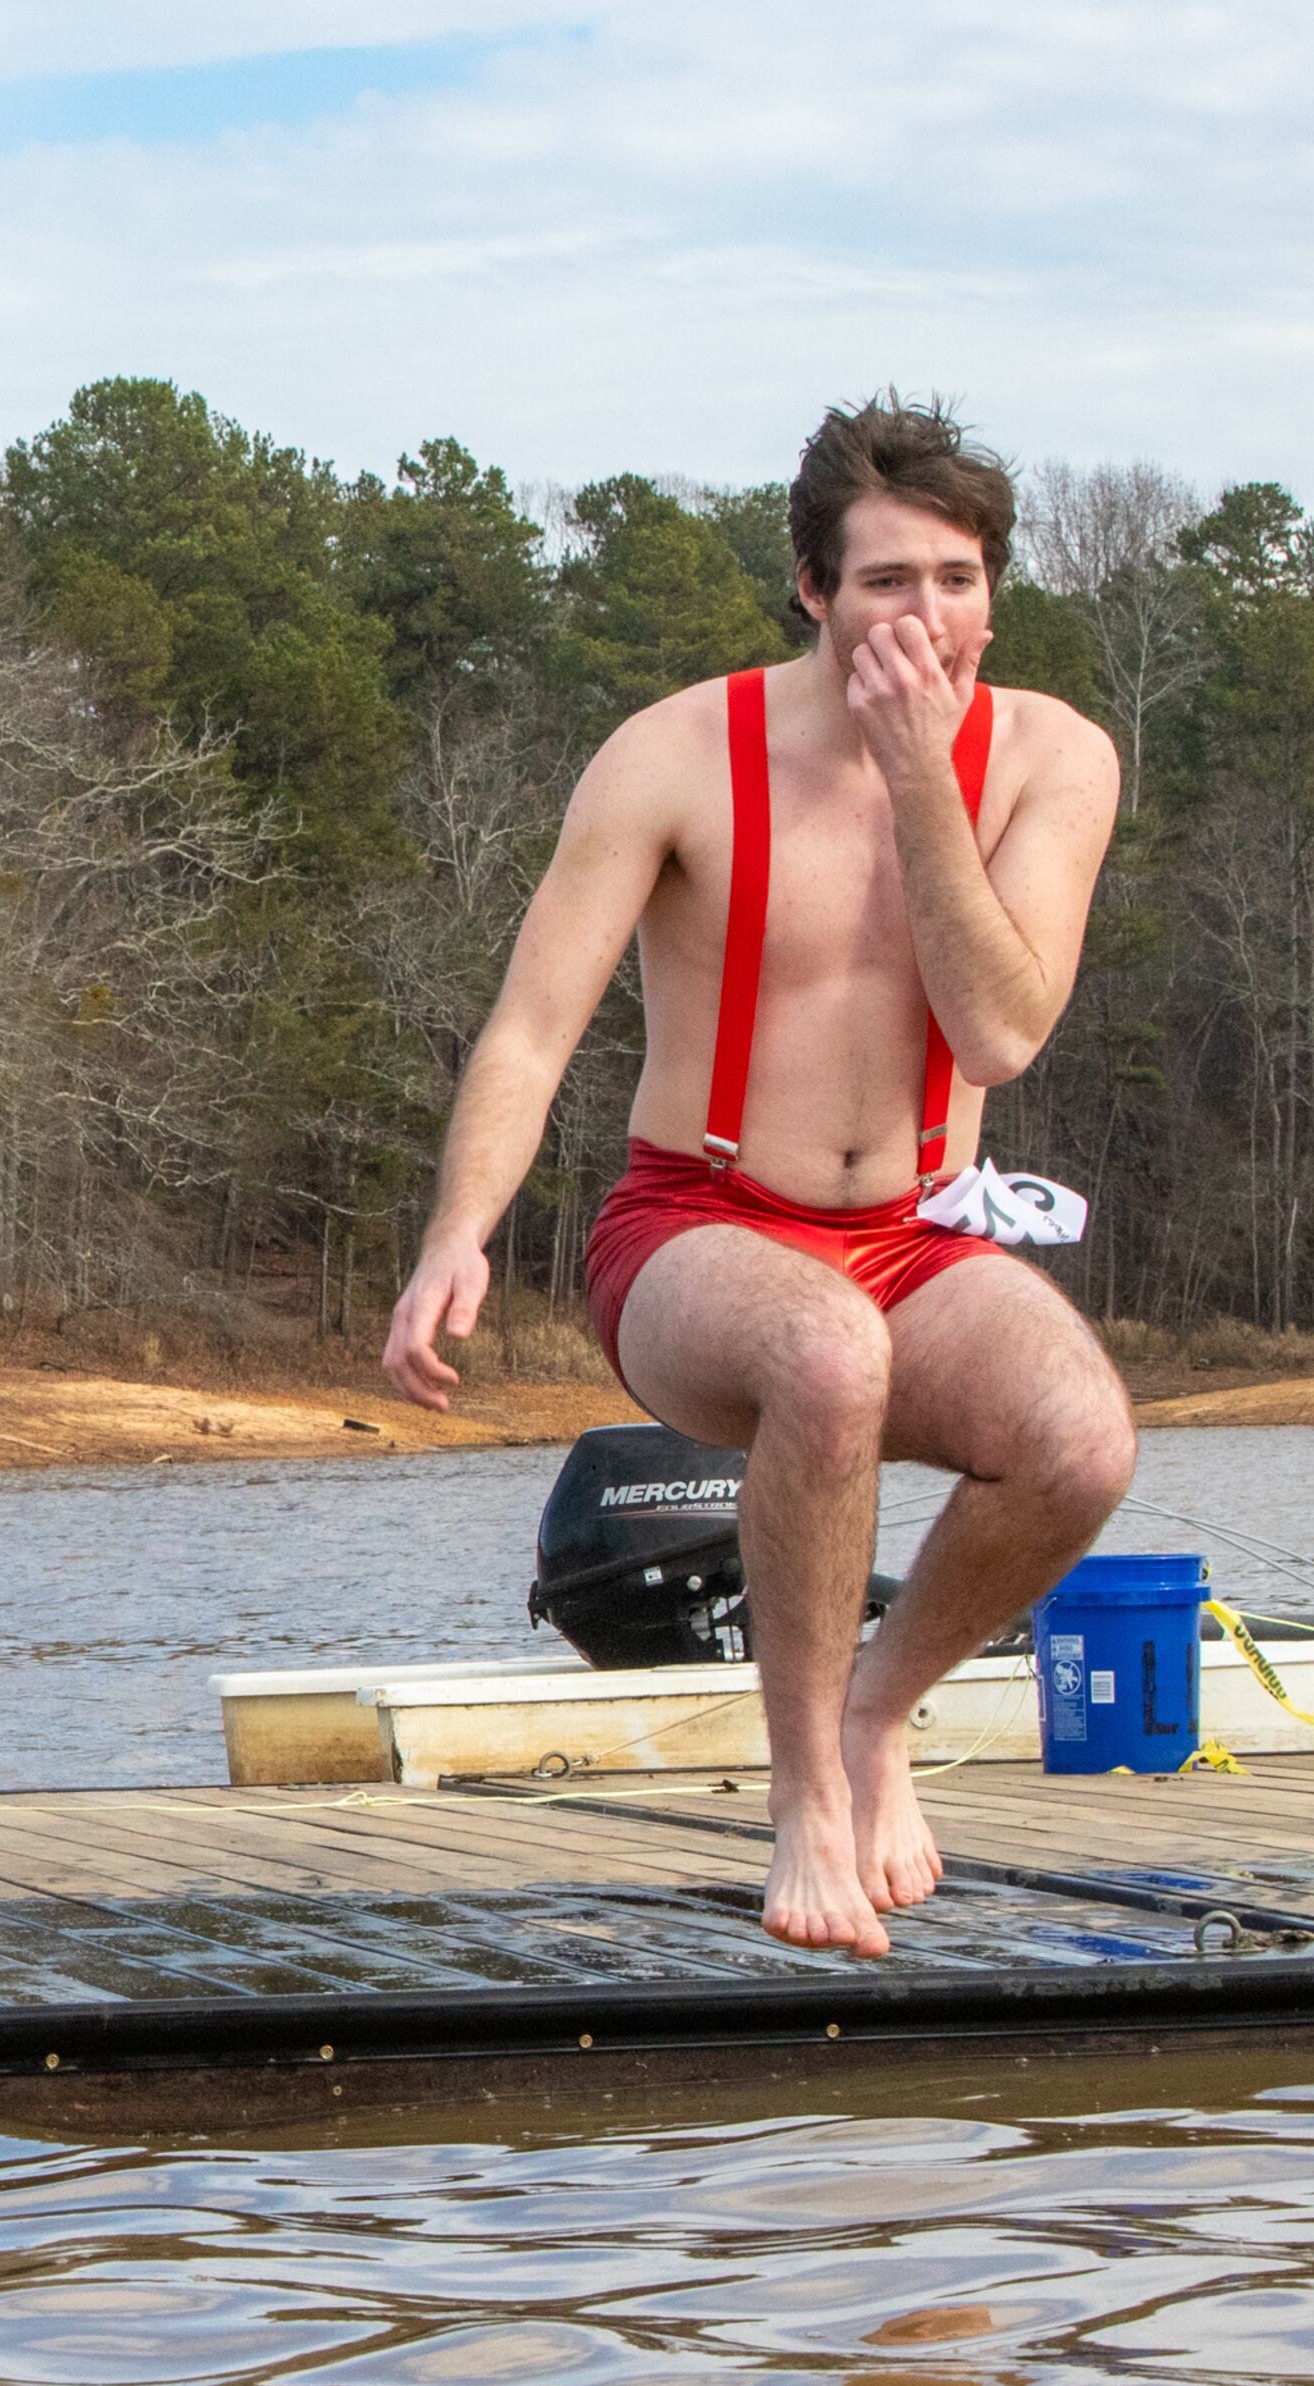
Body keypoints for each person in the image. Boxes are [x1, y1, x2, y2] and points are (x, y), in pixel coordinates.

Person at [384, 400, 1132, 1958]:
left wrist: (922, 779)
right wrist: (457, 1233)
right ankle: (802, 1796)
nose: (921, 621)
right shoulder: (674, 757)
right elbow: (530, 1030)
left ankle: (877, 1712)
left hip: (916, 1232)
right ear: (812, 589)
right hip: (699, 1226)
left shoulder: (1054, 757)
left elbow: (997, 1032)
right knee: (822, 1351)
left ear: (995, 591)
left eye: (954, 581)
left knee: (1080, 1442)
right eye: (882, 585)